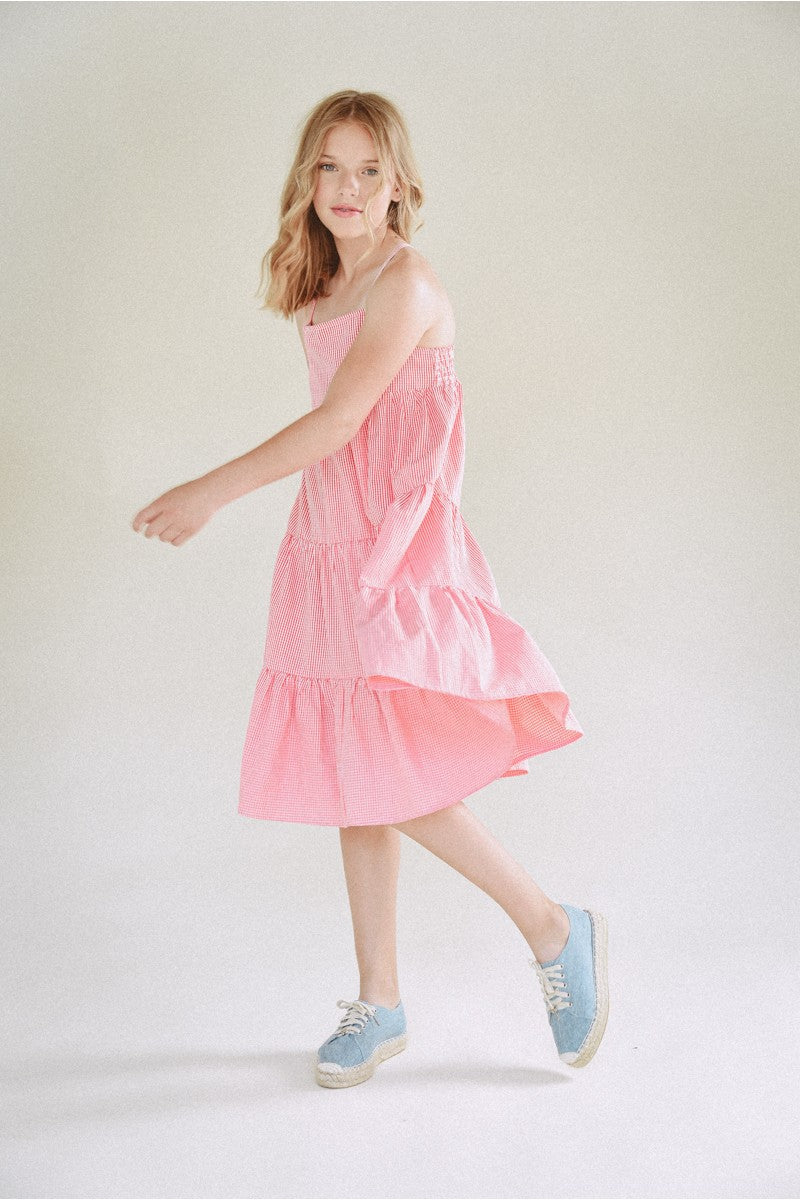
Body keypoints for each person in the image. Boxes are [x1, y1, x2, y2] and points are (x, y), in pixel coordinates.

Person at [131, 89, 609, 1088]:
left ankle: (553, 927)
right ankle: (381, 998)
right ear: (307, 178)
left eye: (367, 171)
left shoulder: (405, 283)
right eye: (329, 167)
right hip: (331, 539)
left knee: (389, 771)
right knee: (358, 774)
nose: (346, 188)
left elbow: (342, 423)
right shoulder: (324, 289)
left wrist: (208, 492)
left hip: (393, 542)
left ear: (398, 187)